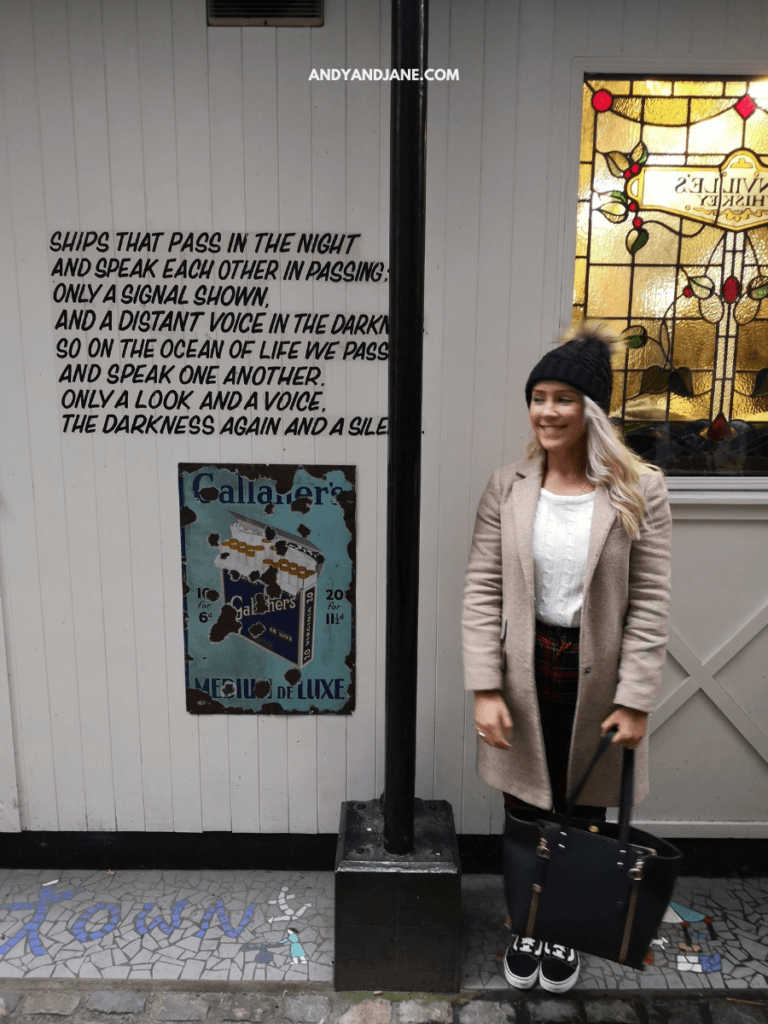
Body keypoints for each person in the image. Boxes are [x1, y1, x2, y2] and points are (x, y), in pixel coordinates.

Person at [462, 322, 672, 993]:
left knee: (582, 810)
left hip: (600, 678)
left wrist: (636, 699)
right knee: (527, 804)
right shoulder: (508, 485)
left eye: (564, 398)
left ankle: (566, 924)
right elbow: (482, 589)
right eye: (539, 396)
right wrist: (484, 686)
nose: (547, 411)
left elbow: (651, 602)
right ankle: (529, 918)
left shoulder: (641, 490)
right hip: (527, 670)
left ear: (592, 411)